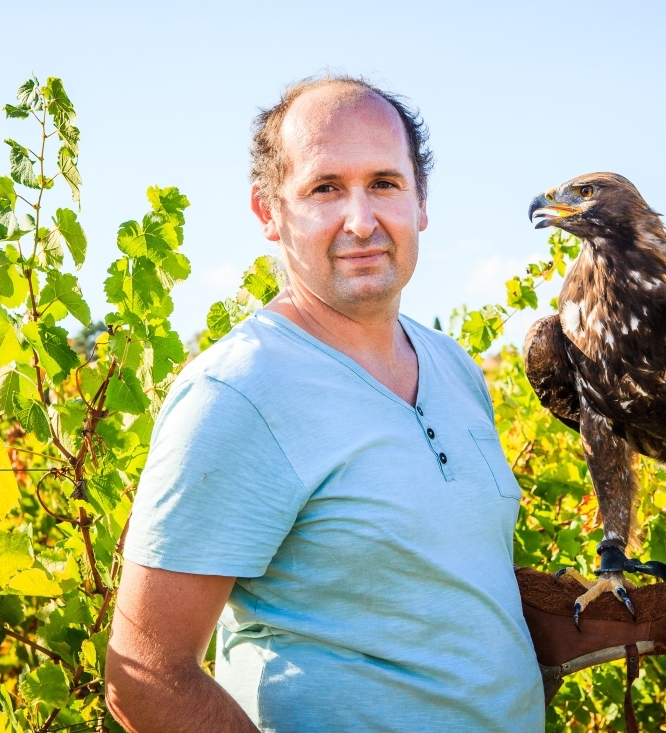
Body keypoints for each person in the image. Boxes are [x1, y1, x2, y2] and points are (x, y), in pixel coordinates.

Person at [105, 75, 545, 733]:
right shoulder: (239, 393)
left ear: (421, 201)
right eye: (325, 188)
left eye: (385, 184)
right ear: (268, 213)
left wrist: (610, 615)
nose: (361, 220)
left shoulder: (455, 369)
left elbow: (449, 601)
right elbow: (144, 675)